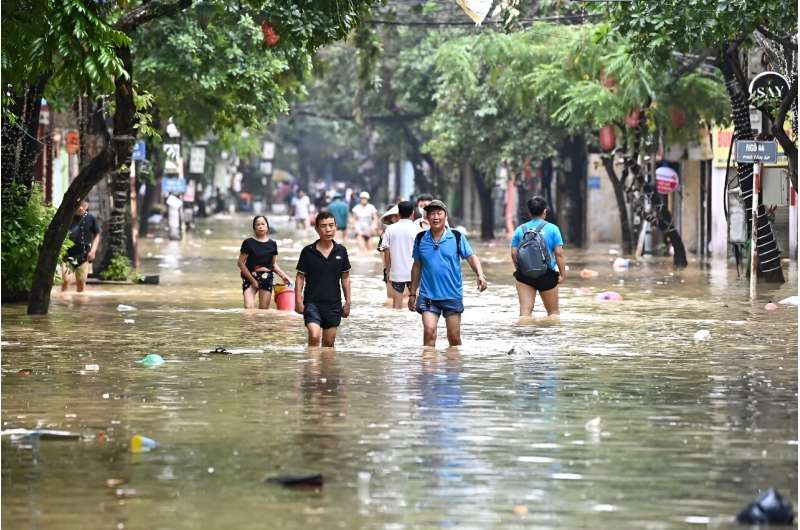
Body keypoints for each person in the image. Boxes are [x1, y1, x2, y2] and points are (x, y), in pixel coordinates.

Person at [408, 200, 487, 347]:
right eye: (432, 214)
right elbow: (417, 266)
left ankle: (453, 367)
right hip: (428, 296)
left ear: (445, 216)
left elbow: (471, 256)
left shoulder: (456, 237)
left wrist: (480, 274)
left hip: (452, 295)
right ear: (427, 217)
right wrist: (412, 294)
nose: (436, 217)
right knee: (429, 332)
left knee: (454, 338)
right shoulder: (420, 239)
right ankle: (428, 368)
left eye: (439, 213)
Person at [295, 212, 352, 347]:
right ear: (316, 229)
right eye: (324, 226)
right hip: (312, 303)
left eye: (331, 225)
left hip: (333, 305)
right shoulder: (308, 251)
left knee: (328, 344)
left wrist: (348, 301)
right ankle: (311, 367)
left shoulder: (341, 251)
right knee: (314, 336)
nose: (328, 229)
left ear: (336, 227)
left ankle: (324, 368)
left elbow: (345, 277)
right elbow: (300, 277)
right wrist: (298, 300)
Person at [511, 196, 566, 317]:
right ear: (545, 211)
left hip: (524, 275)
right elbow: (559, 253)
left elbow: (514, 254)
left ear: (529, 212)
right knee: (553, 314)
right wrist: (562, 274)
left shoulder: (520, 230)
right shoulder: (553, 229)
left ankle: (525, 334)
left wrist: (521, 270)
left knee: (525, 313)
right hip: (547, 274)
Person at [238, 216, 291, 310]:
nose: (260, 226)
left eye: (263, 224)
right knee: (248, 308)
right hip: (250, 276)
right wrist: (252, 280)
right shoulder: (248, 243)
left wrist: (284, 276)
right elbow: (240, 263)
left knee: (263, 311)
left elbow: (273, 265)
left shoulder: (273, 244)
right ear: (254, 228)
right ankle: (249, 325)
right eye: (257, 224)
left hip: (266, 278)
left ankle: (260, 325)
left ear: (267, 227)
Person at [380, 201, 419, 309]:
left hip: (396, 272)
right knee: (413, 304)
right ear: (412, 213)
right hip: (414, 272)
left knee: (396, 306)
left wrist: (387, 270)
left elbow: (386, 251)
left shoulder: (390, 229)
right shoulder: (417, 229)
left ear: (399, 214)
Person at [61, 198, 101, 292]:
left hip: (84, 256)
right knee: (66, 280)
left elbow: (97, 234)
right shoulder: (67, 217)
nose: (81, 208)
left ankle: (80, 304)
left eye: (83, 206)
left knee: (81, 283)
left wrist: (93, 251)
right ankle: (64, 301)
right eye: (79, 205)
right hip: (67, 255)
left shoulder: (90, 218)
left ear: (87, 206)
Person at [378, 204, 400, 303]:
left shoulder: (411, 230)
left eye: (397, 215)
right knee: (391, 299)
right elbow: (382, 253)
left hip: (406, 269)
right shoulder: (386, 233)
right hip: (390, 268)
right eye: (393, 215)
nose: (395, 218)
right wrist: (386, 269)